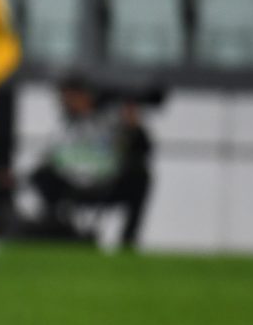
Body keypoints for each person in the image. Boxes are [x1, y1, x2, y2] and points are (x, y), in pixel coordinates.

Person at [11, 73, 156, 248]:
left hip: (106, 184)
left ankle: (127, 242)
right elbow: (47, 160)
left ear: (84, 95)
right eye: (63, 97)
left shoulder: (110, 119)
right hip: (69, 185)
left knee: (141, 176)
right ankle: (57, 231)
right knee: (42, 177)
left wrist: (133, 126)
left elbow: (144, 149)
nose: (65, 101)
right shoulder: (64, 126)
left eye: (70, 96)